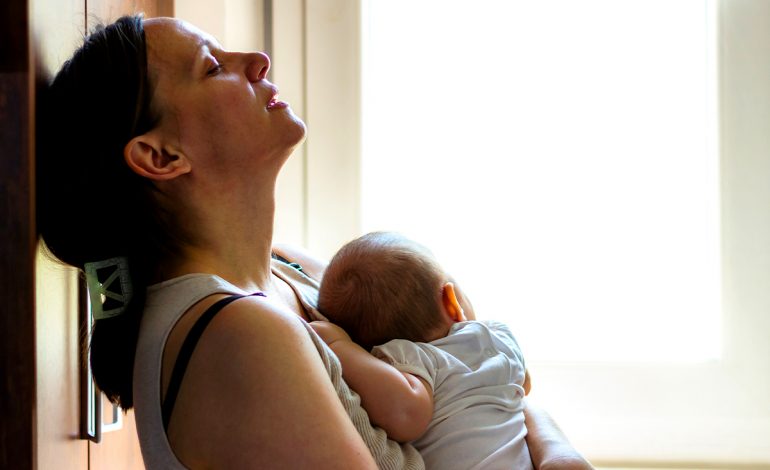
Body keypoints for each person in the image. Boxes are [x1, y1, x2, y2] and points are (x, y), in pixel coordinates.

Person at [35, 13, 593, 470]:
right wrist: (554, 448)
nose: (256, 61)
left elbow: (483, 386)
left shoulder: (287, 272)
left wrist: (555, 446)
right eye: (212, 66)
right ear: (161, 157)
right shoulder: (238, 333)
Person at [313, 231, 533, 469]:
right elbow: (524, 385)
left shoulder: (412, 360)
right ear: (452, 301)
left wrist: (339, 346)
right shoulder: (497, 335)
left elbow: (405, 417)